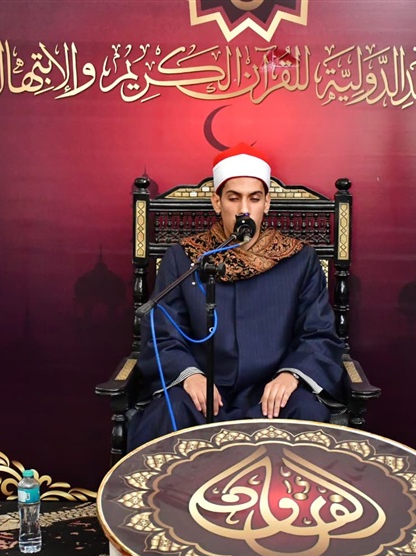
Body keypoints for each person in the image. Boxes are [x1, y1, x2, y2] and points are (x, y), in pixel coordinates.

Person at [127, 143, 344, 450]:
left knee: (305, 412)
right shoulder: (185, 258)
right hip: (203, 391)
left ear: (266, 203)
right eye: (234, 198)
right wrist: (189, 375)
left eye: (254, 198)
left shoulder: (299, 259)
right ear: (217, 202)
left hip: (271, 390)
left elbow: (318, 332)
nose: (244, 209)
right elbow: (163, 332)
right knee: (169, 412)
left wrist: (291, 376)